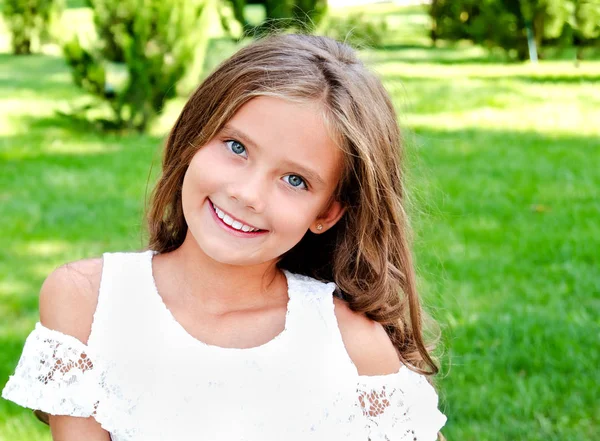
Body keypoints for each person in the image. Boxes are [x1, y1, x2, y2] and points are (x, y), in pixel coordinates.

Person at [2, 33, 447, 441]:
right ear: (195, 137)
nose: (247, 194)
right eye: (236, 148)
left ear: (327, 213)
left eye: (294, 180)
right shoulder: (87, 303)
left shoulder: (350, 345)